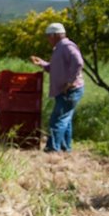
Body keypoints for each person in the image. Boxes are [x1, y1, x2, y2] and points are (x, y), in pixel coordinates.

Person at [30, 22, 84, 152]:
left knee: (57, 119)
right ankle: (65, 148)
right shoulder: (59, 48)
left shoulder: (67, 46)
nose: (48, 39)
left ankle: (52, 149)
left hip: (70, 90)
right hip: (65, 90)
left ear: (55, 35)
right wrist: (41, 63)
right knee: (65, 119)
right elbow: (54, 68)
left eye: (48, 36)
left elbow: (78, 62)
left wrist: (70, 82)